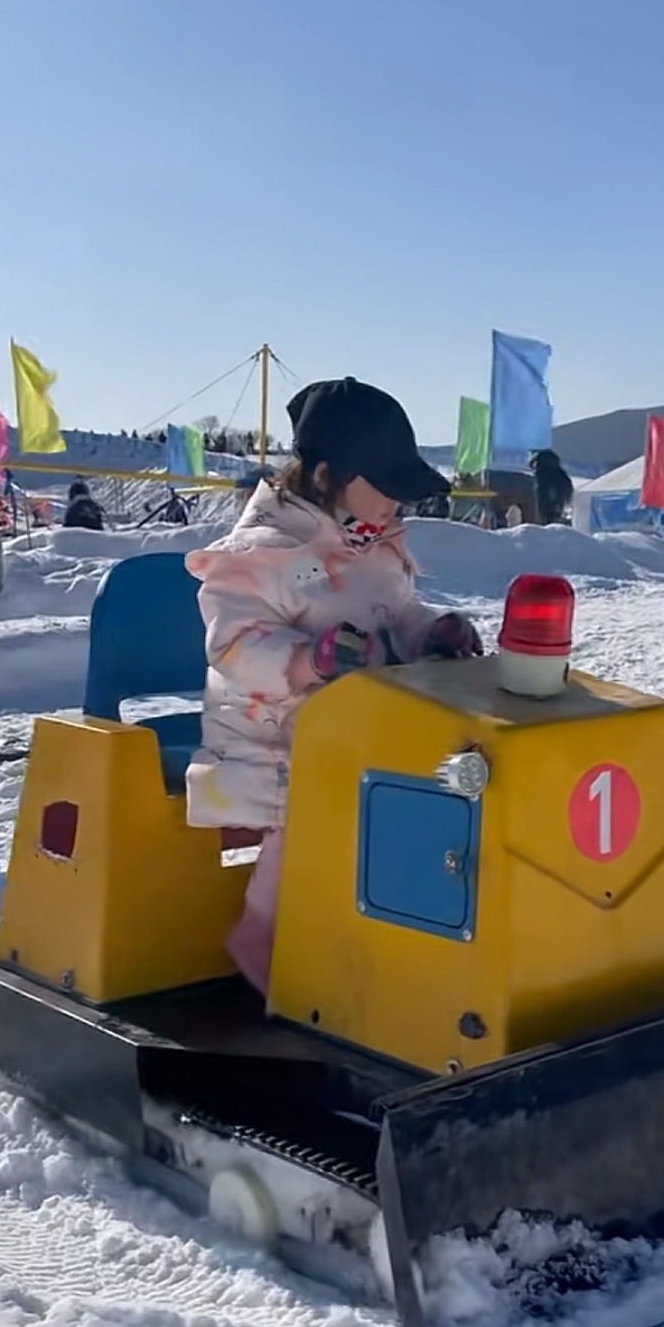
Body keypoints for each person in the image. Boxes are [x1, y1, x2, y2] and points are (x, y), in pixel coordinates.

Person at [185, 376, 483, 997]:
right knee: (314, 827)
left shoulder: (370, 547)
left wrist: (432, 632)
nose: (396, 505)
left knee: (419, 806)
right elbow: (233, 646)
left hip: (354, 737)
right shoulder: (260, 555)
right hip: (270, 742)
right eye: (386, 486)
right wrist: (308, 659)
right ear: (327, 474)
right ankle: (265, 943)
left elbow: (398, 615)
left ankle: (392, 940)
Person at [530, 450, 573, 525]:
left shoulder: (540, 474)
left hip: (543, 509)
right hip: (557, 508)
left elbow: (538, 491)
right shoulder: (562, 475)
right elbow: (569, 491)